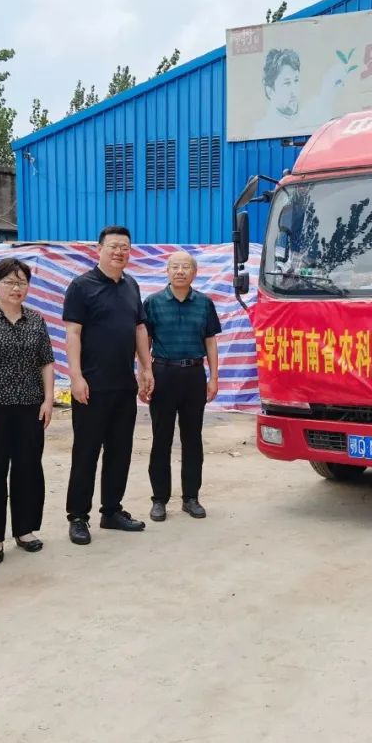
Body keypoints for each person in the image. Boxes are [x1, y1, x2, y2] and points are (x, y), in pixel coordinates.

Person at [62, 226, 154, 545]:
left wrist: (146, 368)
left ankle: (111, 511)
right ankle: (78, 516)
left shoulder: (131, 285)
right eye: (113, 246)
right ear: (99, 249)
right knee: (86, 452)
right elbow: (73, 333)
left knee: (120, 451)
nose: (119, 252)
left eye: (125, 247)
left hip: (123, 385)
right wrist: (76, 376)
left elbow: (139, 328)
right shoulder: (81, 286)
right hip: (91, 386)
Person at [0, 258, 56, 566]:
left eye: (22, 282)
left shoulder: (36, 320)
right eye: (9, 282)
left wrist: (48, 399)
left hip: (31, 406)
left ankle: (25, 529)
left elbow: (46, 361)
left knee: (28, 469)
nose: (16, 288)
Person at [142, 251, 222, 521]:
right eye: (174, 266)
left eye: (185, 267)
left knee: (192, 439)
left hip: (194, 375)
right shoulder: (153, 303)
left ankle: (191, 498)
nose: (180, 271)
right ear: (167, 271)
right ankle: (159, 500)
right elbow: (145, 342)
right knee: (161, 439)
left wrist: (214, 377)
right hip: (163, 374)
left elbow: (210, 341)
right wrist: (144, 374)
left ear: (194, 273)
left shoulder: (204, 303)